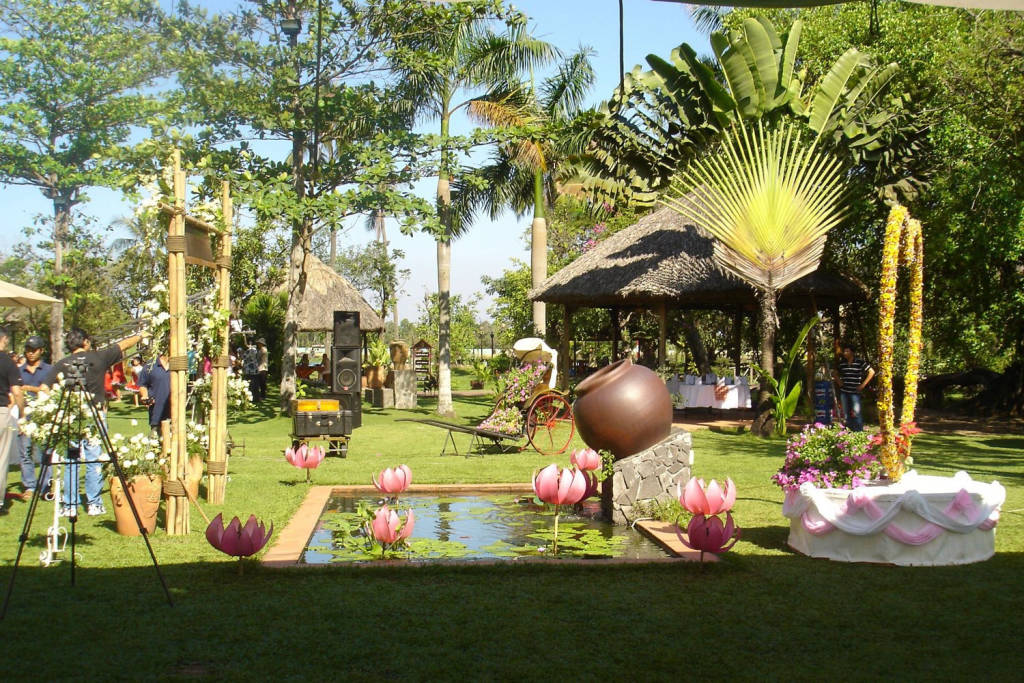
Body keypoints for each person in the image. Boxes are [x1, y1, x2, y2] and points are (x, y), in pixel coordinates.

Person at [42, 327, 149, 517]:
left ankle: (70, 504)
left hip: (71, 416)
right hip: (95, 415)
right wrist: (141, 335)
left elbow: (44, 387)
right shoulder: (98, 358)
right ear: (85, 342)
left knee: (71, 460)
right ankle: (94, 503)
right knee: (94, 459)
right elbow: (122, 345)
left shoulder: (62, 364)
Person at [15, 335, 50, 500]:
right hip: (25, 417)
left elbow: (50, 391)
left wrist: (30, 388)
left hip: (44, 418)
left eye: (34, 350)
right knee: (25, 453)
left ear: (41, 350)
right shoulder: (19, 371)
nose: (31, 353)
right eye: (28, 349)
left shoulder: (49, 370)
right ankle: (29, 485)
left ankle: (45, 485)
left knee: (45, 453)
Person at [0, 326, 25, 515]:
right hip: (1, 412)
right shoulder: (7, 362)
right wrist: (22, 414)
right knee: (1, 458)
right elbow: (17, 391)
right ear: (4, 339)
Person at [834, 342, 875, 432]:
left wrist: (863, 385)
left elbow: (871, 372)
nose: (845, 353)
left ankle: (859, 431)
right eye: (844, 351)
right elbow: (835, 373)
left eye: (847, 351)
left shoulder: (859, 362)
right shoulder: (842, 363)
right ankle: (848, 431)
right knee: (846, 413)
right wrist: (839, 382)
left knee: (856, 412)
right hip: (844, 391)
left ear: (852, 352)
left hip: (855, 392)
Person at [138, 344, 171, 441]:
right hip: (157, 411)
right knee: (155, 442)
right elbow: (142, 384)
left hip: (175, 412)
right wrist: (145, 396)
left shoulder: (178, 365)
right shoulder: (151, 365)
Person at [255, 338, 268, 402]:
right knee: (261, 382)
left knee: (262, 383)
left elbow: (258, 357)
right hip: (261, 368)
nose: (258, 344)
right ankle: (261, 395)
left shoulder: (263, 349)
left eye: (259, 343)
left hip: (262, 368)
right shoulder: (260, 349)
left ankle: (263, 396)